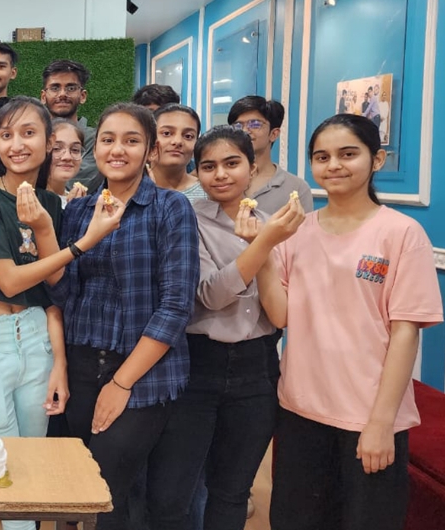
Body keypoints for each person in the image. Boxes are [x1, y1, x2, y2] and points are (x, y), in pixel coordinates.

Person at [264, 114, 442, 530]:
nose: (334, 166)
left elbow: (405, 333)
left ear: (376, 159)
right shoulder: (296, 232)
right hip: (299, 411)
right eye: (322, 157)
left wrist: (381, 423)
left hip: (368, 417)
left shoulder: (401, 233)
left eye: (348, 154)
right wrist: (263, 249)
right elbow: (280, 315)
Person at [0, 96, 122, 530]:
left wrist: (60, 366)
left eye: (29, 133)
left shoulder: (51, 203)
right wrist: (82, 243)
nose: (17, 145)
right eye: (7, 135)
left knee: (34, 462)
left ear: (49, 142)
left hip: (37, 337)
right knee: (1, 465)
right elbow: (10, 281)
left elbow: (55, 291)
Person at [55, 102, 199, 530]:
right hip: (81, 364)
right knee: (72, 490)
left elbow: (176, 306)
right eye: (108, 140)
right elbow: (62, 292)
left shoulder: (170, 208)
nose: (117, 150)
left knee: (106, 490)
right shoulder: (78, 212)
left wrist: (121, 383)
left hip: (142, 373)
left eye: (131, 141)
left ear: (150, 150)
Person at [148, 126, 301, 530]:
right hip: (197, 364)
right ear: (197, 172)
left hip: (257, 367)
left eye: (232, 163)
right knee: (173, 490)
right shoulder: (186, 219)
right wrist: (262, 245)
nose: (220, 174)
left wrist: (267, 241)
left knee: (232, 490)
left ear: (252, 168)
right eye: (208, 166)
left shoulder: (280, 227)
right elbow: (210, 295)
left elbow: (282, 313)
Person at [226, 96, 312, 213]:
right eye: (238, 126)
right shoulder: (221, 180)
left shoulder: (297, 188)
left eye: (255, 124)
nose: (245, 130)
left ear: (274, 134)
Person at [40, 60, 102, 193]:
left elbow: (79, 183)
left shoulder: (96, 139)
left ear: (83, 96)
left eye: (71, 88)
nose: (62, 94)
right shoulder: (36, 136)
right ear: (43, 96)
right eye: (55, 88)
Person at [151, 104, 207, 201]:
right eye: (167, 133)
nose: (178, 141)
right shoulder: (129, 189)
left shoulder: (209, 192)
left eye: (188, 136)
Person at [45, 119, 89, 207]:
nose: (67, 157)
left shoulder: (78, 199)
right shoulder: (31, 199)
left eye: (75, 150)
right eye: (56, 149)